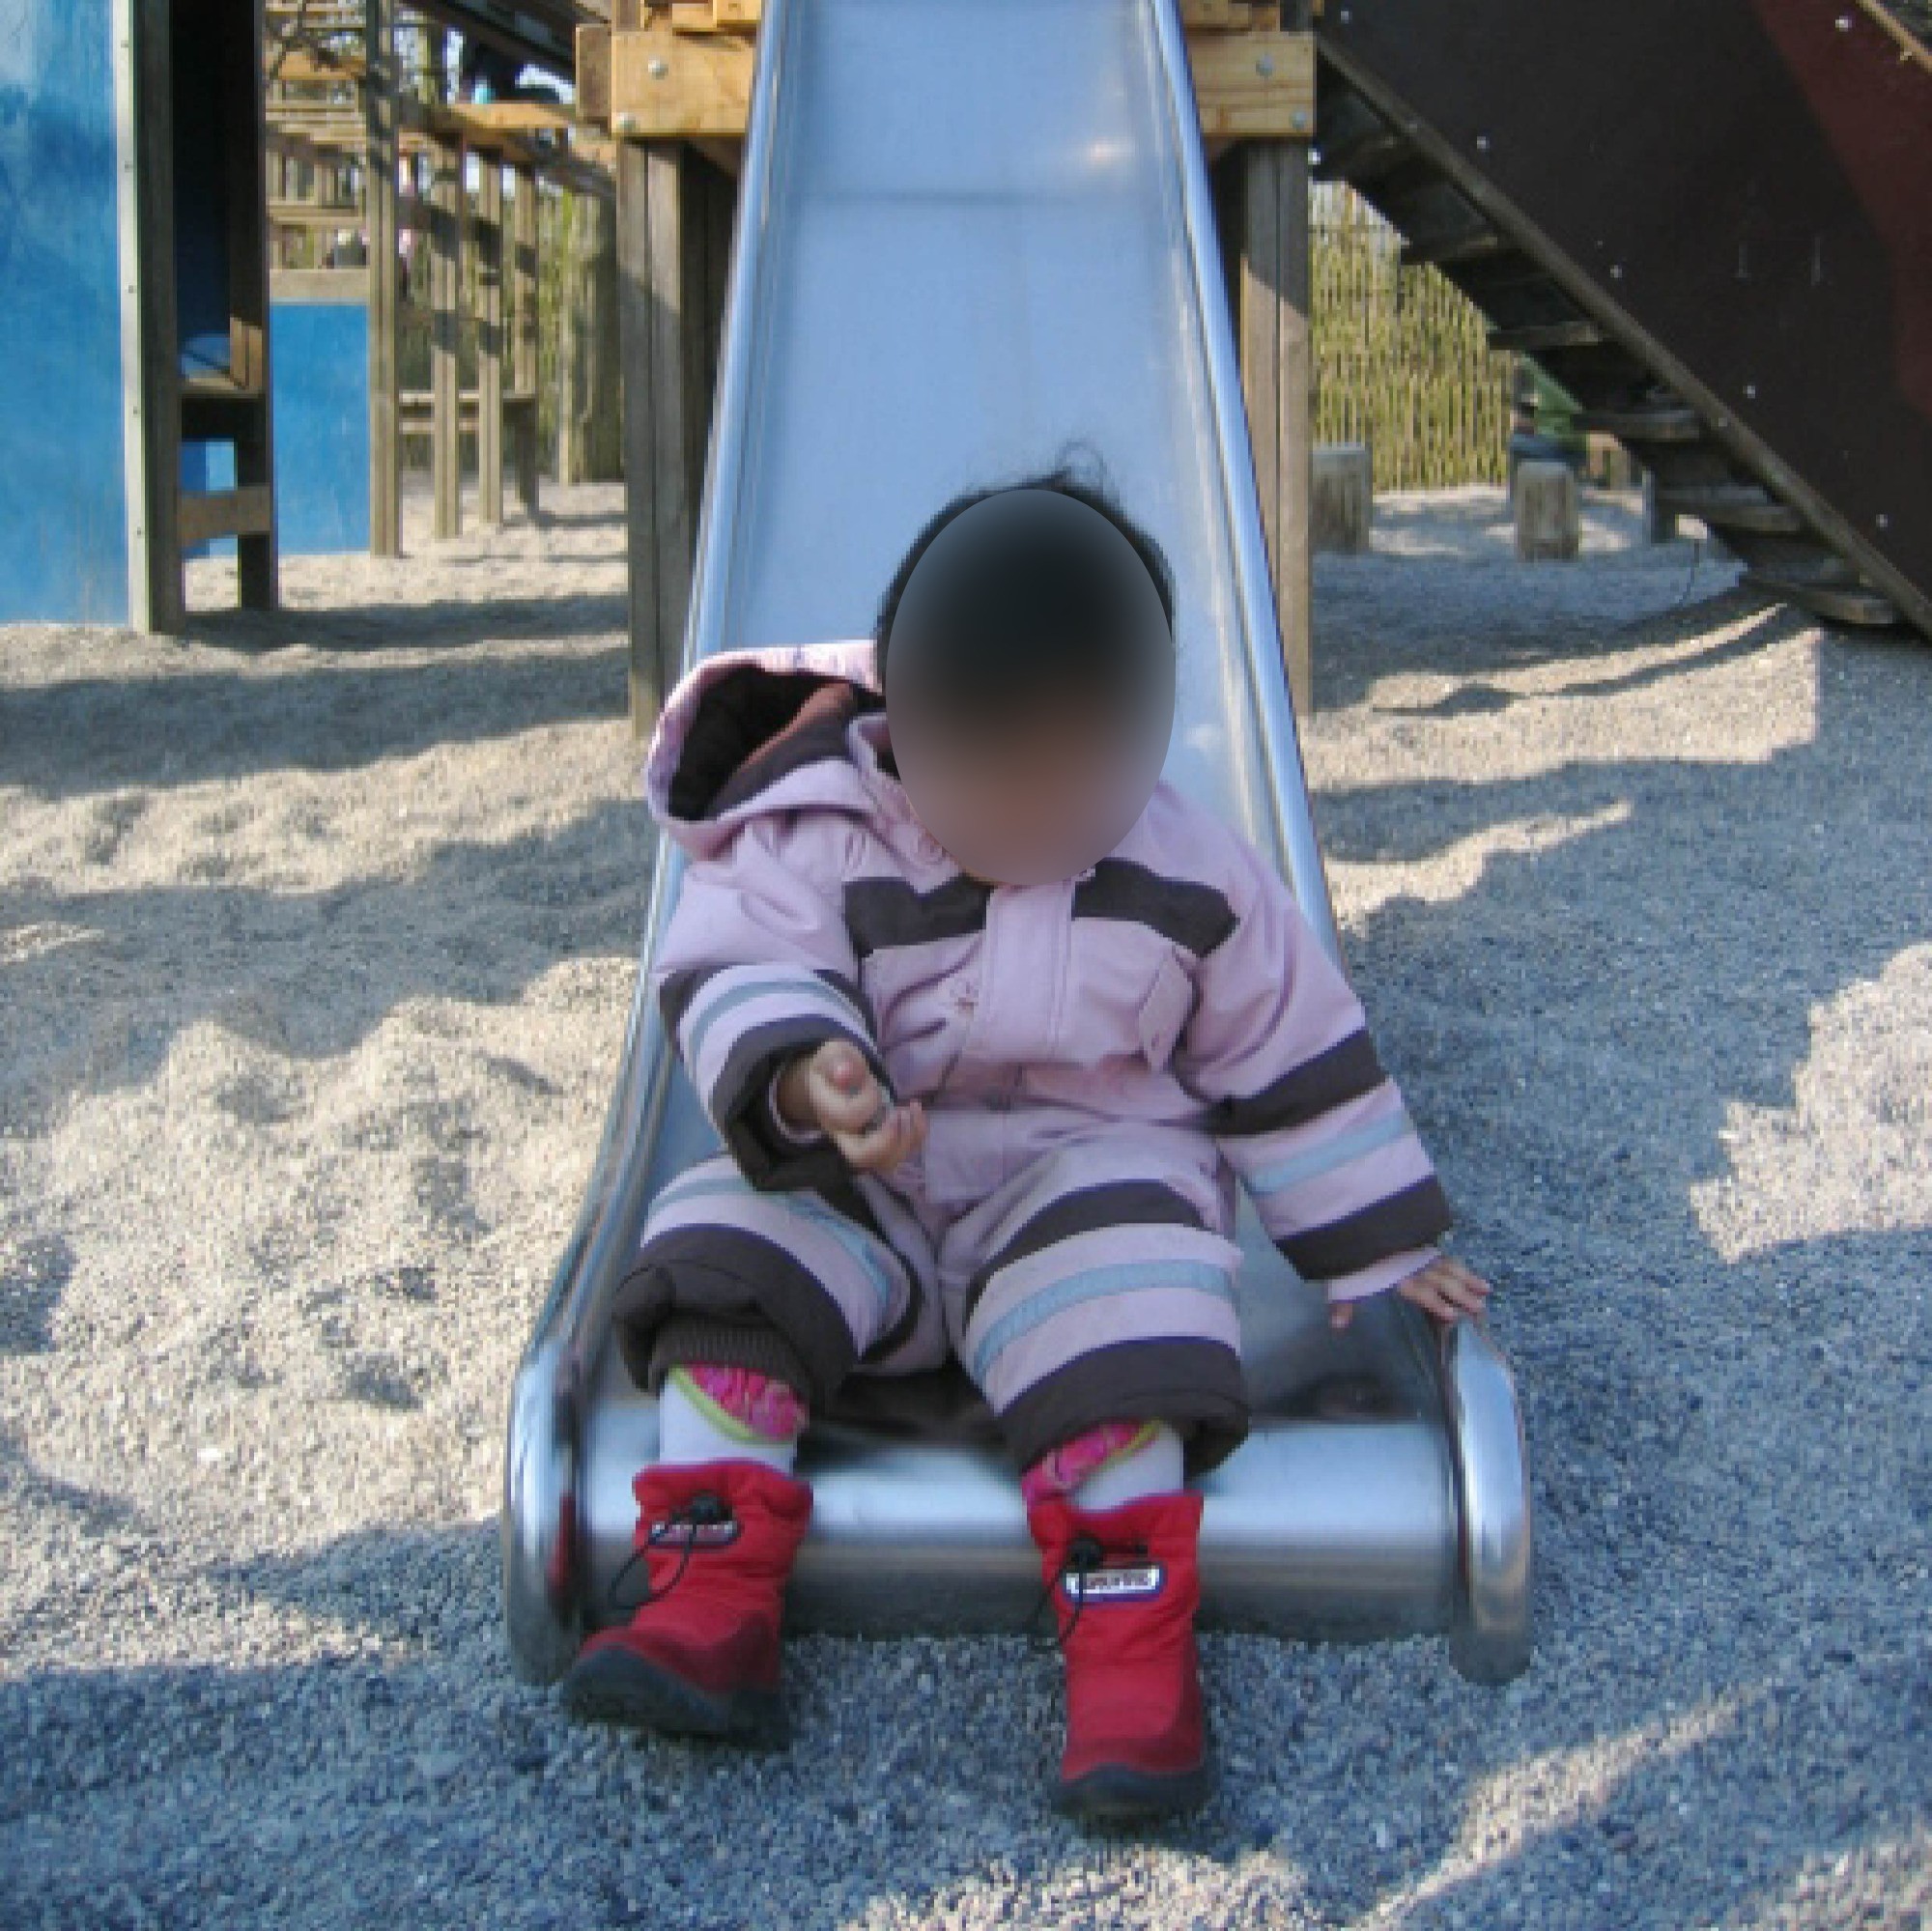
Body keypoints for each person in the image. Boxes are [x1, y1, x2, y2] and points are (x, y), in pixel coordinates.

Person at [560, 466, 1493, 1821]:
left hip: (1075, 1183)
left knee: (1140, 1304)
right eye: (999, 783)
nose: (1044, 819)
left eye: (1086, 777)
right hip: (868, 1181)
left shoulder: (1194, 875)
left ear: (1150, 729)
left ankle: (1131, 1662)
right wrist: (809, 1078)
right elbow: (740, 949)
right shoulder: (819, 825)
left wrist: (1381, 1242)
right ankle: (708, 1590)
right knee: (720, 1249)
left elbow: (1285, 1049)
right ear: (906, 722)